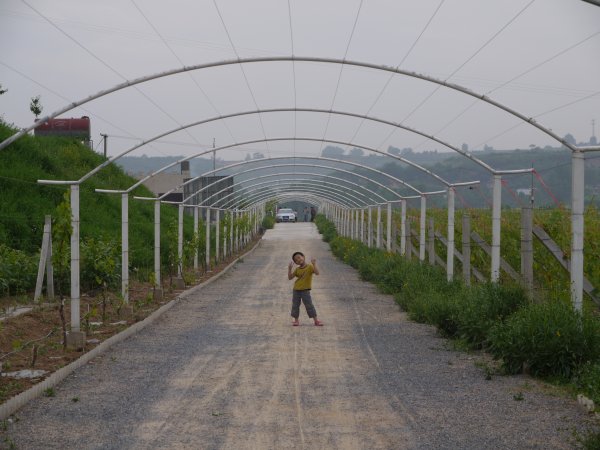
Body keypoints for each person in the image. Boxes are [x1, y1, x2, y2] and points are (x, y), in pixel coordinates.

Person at [287, 251, 323, 326]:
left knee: (309, 305)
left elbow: (317, 273)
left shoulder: (310, 267)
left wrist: (314, 264)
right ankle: (296, 321)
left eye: (299, 257)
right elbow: (290, 278)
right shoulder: (297, 269)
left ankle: (316, 321)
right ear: (296, 263)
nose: (298, 260)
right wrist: (289, 269)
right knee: (295, 305)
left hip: (305, 290)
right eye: (296, 260)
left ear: (303, 257)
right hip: (296, 290)